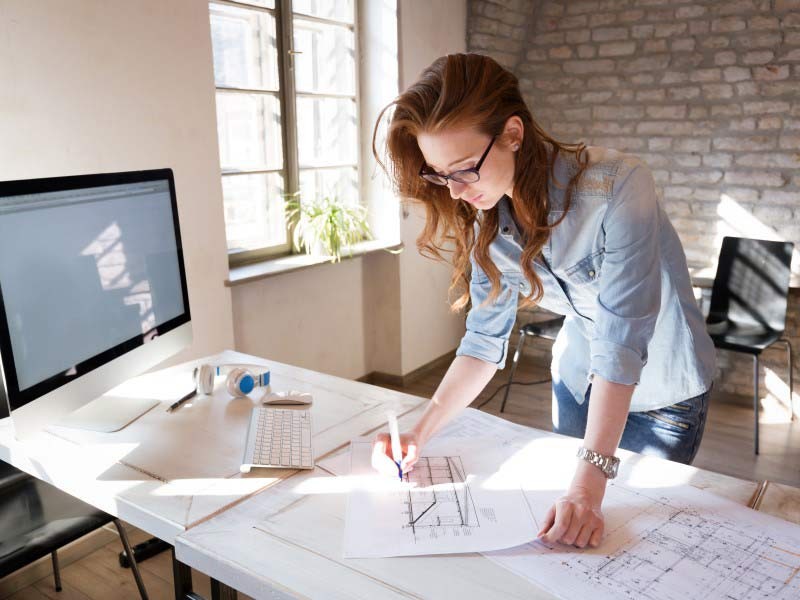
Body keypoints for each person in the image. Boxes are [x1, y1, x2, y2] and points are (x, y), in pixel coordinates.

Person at [370, 53, 716, 549]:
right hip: (577, 379)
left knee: (632, 539)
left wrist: (587, 485)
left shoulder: (619, 185)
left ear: (513, 133)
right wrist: (419, 433)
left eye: (465, 169)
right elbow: (482, 341)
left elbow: (621, 340)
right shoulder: (483, 211)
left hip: (663, 388)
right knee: (564, 543)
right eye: (440, 175)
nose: (456, 191)